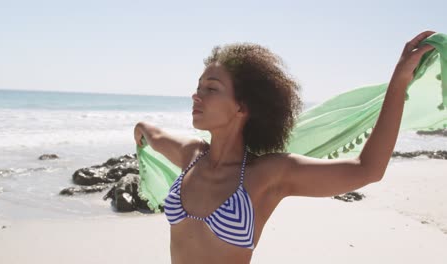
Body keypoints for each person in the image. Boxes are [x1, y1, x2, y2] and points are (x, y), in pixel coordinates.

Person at [134, 30, 436, 264]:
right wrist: (142, 130)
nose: (196, 96)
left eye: (211, 89)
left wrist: (398, 83)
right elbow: (154, 135)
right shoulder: (191, 155)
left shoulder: (269, 174)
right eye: (198, 87)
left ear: (243, 107)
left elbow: (368, 169)